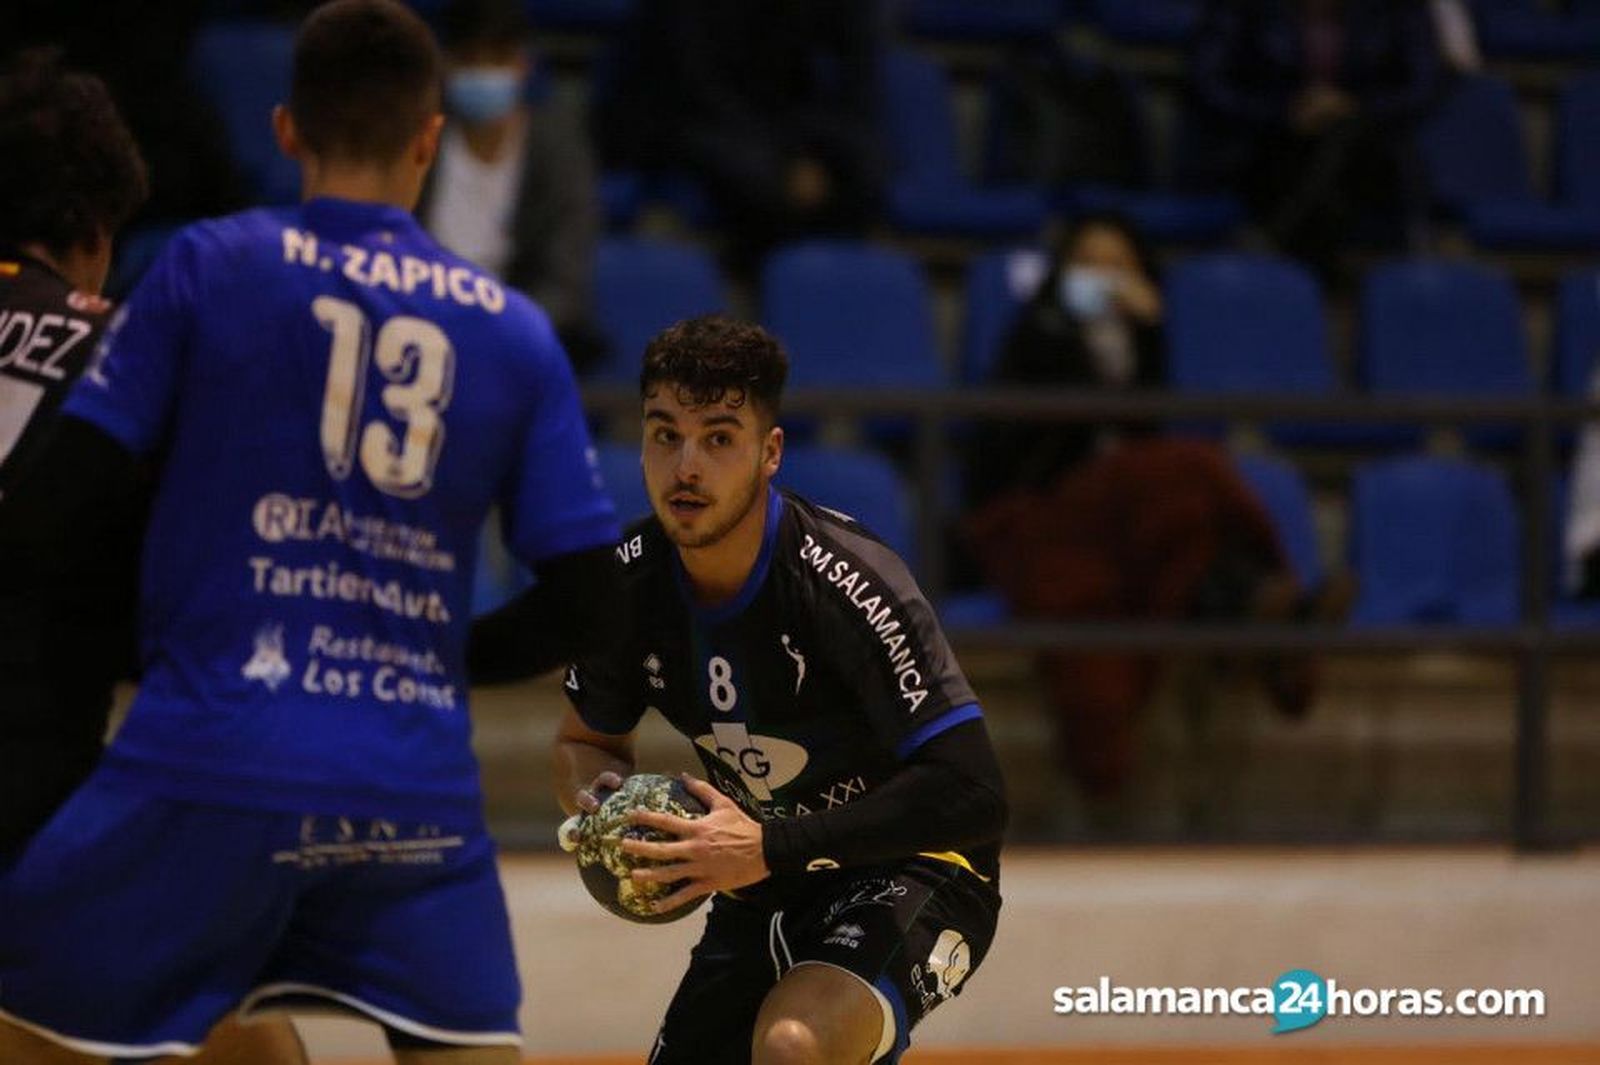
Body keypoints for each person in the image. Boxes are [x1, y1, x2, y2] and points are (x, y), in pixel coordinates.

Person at [0, 2, 620, 1062]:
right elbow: (593, 598)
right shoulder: (513, 331)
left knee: (25, 1001)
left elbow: (65, 501)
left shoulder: (207, 269)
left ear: (286, 130)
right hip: (408, 783)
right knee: (435, 1045)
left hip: (211, 754)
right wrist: (441, 657)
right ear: (429, 138)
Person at [473, 315, 1006, 1063]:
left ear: (769, 453)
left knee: (791, 1045)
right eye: (665, 434)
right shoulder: (622, 584)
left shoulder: (849, 583)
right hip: (759, 877)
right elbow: (582, 742)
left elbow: (975, 792)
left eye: (719, 437)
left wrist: (767, 844)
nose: (686, 466)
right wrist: (607, 805)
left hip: (915, 865)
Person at [961, 214, 1340, 801]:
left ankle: (1258, 608)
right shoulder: (1037, 333)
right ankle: (1273, 600)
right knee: (1196, 466)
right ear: (1064, 272)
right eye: (1090, 263)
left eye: (1118, 264)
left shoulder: (1138, 338)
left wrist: (1150, 334)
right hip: (1048, 505)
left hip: (1124, 521)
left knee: (1187, 529)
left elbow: (1145, 428)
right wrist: (1075, 337)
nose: (1104, 276)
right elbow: (1023, 441)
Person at [599, 0, 885, 268]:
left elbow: (833, 74)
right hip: (678, 115)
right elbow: (693, 86)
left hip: (768, 121)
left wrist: (808, 153)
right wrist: (787, 159)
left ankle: (831, 280)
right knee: (760, 175)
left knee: (864, 162)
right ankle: (759, 272)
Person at [1187, 0, 1441, 277]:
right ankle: (1309, 268)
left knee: (1343, 136)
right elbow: (1209, 84)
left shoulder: (1397, 8)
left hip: (1370, 154)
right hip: (1268, 147)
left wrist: (1351, 106)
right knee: (1328, 164)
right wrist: (1285, 112)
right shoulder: (1241, 7)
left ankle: (1276, 239)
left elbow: (1422, 86)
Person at [419, 0, 606, 371]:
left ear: (523, 63)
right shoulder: (417, 140)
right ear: (446, 63)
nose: (484, 72)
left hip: (517, 343)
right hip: (419, 329)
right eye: (471, 59)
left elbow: (565, 279)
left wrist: (498, 332)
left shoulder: (558, 150)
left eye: (498, 58)